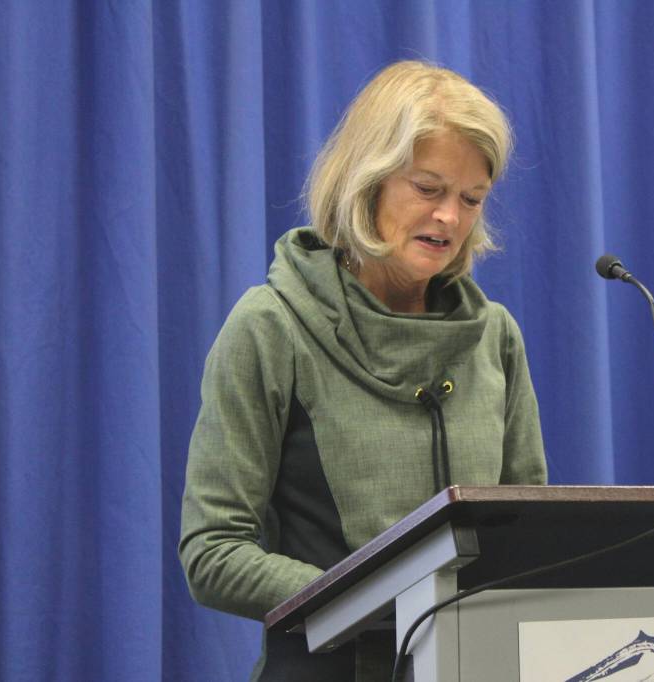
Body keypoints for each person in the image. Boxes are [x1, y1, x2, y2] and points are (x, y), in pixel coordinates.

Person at [178, 60, 548, 681]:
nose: (450, 219)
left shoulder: (495, 337)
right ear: (366, 181)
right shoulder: (272, 326)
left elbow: (528, 536)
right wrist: (377, 595)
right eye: (428, 189)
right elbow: (212, 553)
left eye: (471, 198)